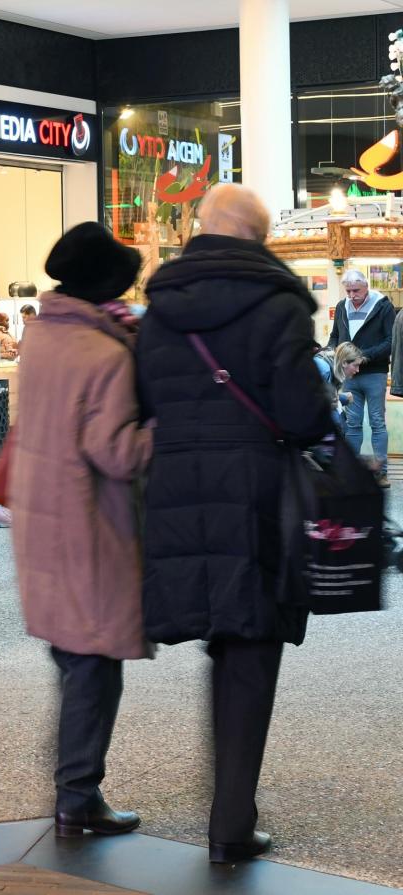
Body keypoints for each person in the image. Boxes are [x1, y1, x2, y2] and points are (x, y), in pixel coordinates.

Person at [136, 185, 334, 863]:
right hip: (253, 489)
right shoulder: (278, 305)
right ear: (258, 238)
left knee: (223, 640)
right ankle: (229, 822)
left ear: (199, 228)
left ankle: (228, 801)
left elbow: (143, 401)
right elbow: (305, 416)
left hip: (177, 489)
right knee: (252, 650)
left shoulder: (157, 309)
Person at [9, 223, 152, 839]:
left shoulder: (40, 338)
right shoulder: (105, 354)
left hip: (42, 521)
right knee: (94, 666)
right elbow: (117, 453)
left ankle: (74, 787)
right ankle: (78, 797)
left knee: (74, 661)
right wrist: (167, 431)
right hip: (86, 529)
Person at [327, 268, 394, 486]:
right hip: (348, 375)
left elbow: (390, 341)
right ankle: (352, 471)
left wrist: (362, 357)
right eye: (348, 291)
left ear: (366, 287)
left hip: (374, 372)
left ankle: (381, 472)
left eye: (356, 290)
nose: (352, 295)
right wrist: (330, 353)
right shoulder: (341, 306)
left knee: (377, 422)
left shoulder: (383, 306)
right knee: (352, 424)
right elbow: (335, 336)